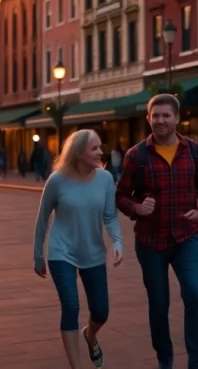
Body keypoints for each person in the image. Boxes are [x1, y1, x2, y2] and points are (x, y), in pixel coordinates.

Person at [116, 94, 198, 369]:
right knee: (159, 306)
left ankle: (197, 363)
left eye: (166, 115)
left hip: (186, 238)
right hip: (150, 242)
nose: (160, 120)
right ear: (148, 118)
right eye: (155, 116)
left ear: (177, 118)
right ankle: (165, 360)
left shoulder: (194, 151)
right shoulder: (136, 156)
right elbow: (120, 195)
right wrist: (136, 208)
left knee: (194, 296)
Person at [33, 129, 123, 368]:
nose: (100, 152)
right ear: (78, 151)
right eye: (94, 148)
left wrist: (118, 241)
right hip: (61, 252)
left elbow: (111, 216)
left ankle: (90, 335)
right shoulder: (57, 180)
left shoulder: (105, 179)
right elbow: (42, 218)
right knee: (70, 306)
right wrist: (37, 254)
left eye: (100, 147)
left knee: (101, 312)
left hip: (93, 253)